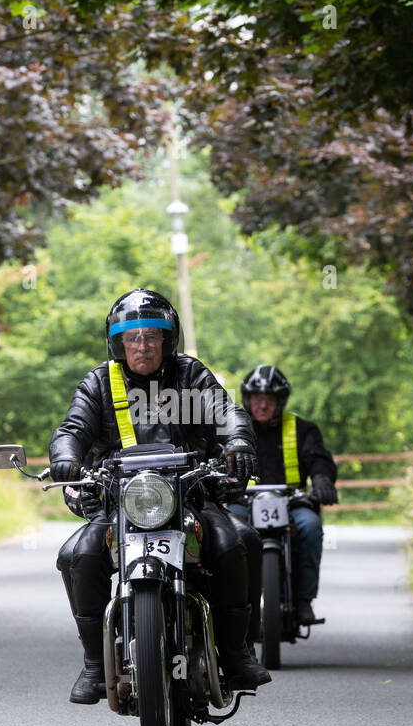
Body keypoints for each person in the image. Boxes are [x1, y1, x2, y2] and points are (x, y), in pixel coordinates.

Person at [51, 289, 272, 704]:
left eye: (152, 336)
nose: (142, 345)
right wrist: (66, 459)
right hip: (122, 500)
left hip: (191, 495)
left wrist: (239, 442)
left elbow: (228, 413)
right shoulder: (100, 381)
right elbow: (71, 430)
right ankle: (95, 665)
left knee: (237, 542)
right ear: (118, 342)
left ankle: (238, 651)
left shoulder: (190, 375)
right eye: (132, 337)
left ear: (169, 340)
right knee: (78, 555)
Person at [230, 364, 337, 624]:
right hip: (243, 501)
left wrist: (322, 478)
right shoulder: (232, 427)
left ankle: (303, 601)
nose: (262, 406)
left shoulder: (302, 429)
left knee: (310, 527)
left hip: (293, 502)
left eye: (269, 400)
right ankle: (230, 606)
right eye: (257, 399)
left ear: (280, 402)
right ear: (247, 400)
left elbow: (319, 458)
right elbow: (214, 455)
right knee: (227, 532)